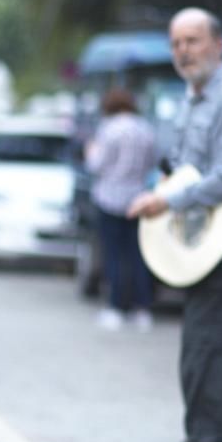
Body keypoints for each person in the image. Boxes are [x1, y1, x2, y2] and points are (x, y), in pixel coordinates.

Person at [128, 7, 222, 442]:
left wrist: (166, 203)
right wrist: (161, 191)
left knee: (207, 343)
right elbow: (188, 170)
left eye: (193, 40)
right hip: (202, 245)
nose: (183, 51)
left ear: (218, 44)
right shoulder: (194, 98)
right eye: (176, 43)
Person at [85, 88, 156, 331]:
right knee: (138, 254)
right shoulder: (145, 128)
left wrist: (89, 151)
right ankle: (142, 308)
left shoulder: (108, 128)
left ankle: (116, 306)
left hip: (110, 197)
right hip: (138, 198)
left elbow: (96, 164)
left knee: (113, 255)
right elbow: (152, 162)